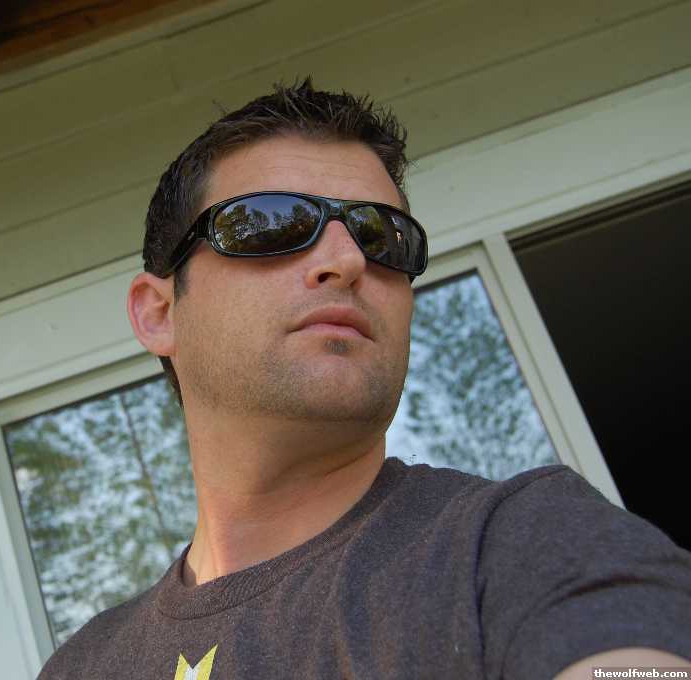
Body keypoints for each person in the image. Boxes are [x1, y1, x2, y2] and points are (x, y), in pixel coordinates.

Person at [36, 78, 691, 679]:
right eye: (272, 222)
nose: (348, 259)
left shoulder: (527, 543)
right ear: (159, 314)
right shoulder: (82, 668)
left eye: (383, 236)